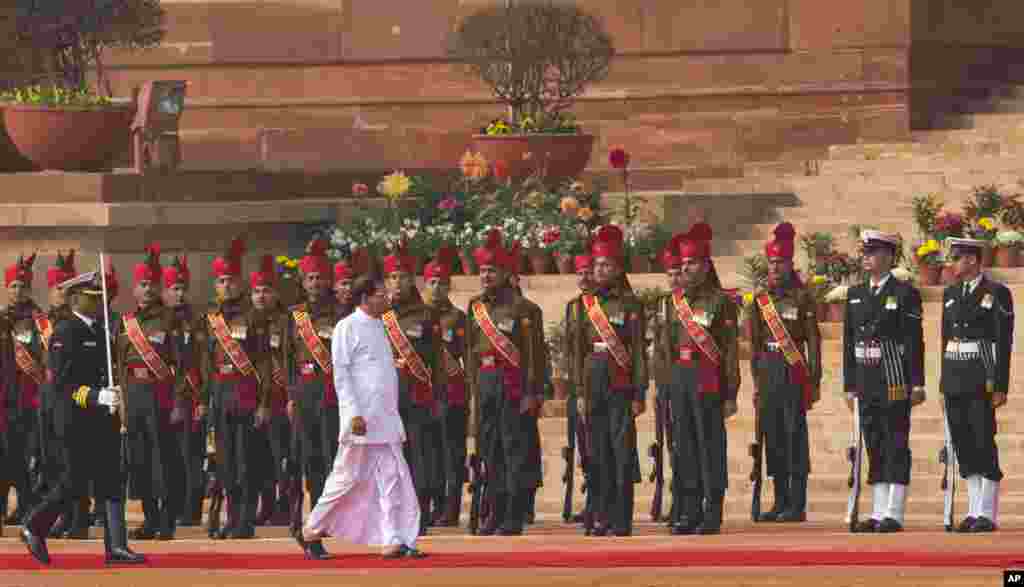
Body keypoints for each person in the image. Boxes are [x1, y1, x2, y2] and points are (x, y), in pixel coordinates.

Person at [297, 272, 426, 560]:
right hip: (361, 419)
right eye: (381, 293)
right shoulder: (347, 327)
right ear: (366, 298)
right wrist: (353, 413)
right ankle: (310, 530)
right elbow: (342, 374)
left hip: (385, 416)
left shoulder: (381, 325)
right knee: (346, 478)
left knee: (393, 476)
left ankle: (394, 538)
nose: (387, 297)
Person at [20, 271, 144, 565]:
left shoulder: (101, 331)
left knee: (112, 480)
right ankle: (34, 526)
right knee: (74, 482)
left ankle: (116, 546)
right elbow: (62, 385)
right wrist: (96, 396)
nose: (101, 302)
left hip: (103, 418)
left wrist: (112, 394)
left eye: (102, 298)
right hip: (76, 420)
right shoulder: (65, 332)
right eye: (93, 298)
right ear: (76, 299)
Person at [653, 223, 740, 535]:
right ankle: (688, 510)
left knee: (709, 446)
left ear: (705, 265)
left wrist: (731, 393)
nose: (686, 268)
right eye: (684, 263)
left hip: (708, 381)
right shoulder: (672, 303)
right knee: (684, 447)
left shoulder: (720, 302)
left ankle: (711, 510)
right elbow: (664, 348)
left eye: (692, 263)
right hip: (679, 380)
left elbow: (730, 351)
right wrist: (663, 385)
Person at [567, 225, 647, 537]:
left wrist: (639, 392)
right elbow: (577, 351)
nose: (600, 270)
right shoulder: (584, 305)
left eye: (607, 265)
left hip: (620, 385)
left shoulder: (630, 304)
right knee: (597, 452)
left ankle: (621, 517)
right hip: (592, 384)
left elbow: (637, 350)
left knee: (621, 452)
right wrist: (579, 391)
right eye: (597, 265)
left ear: (618, 268)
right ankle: (600, 514)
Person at [844, 230, 925, 533]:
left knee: (895, 442)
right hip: (866, 378)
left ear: (889, 257)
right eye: (865, 253)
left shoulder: (905, 293)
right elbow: (849, 342)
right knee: (874, 443)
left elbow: (914, 341)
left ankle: (894, 511)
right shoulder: (855, 294)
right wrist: (849, 385)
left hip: (894, 377)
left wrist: (917, 382)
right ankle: (878, 512)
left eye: (873, 253)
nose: (867, 258)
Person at [465, 230, 545, 536]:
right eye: (482, 270)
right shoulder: (475, 307)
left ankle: (513, 514)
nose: (485, 276)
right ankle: (494, 512)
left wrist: (532, 392)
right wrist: (474, 388)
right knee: (490, 450)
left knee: (514, 451)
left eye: (491, 270)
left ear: (505, 273)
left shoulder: (525, 308)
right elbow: (470, 352)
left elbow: (534, 355)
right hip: (486, 383)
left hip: (513, 386)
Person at [747, 223, 821, 523]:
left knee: (794, 437)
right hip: (768, 372)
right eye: (772, 262)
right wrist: (756, 382)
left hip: (794, 372)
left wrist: (814, 379)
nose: (775, 267)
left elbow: (813, 340)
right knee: (773, 437)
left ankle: (797, 503)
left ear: (791, 264)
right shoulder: (760, 300)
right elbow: (754, 345)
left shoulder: (802, 298)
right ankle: (780, 501)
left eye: (780, 262)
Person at [199, 236, 272, 539]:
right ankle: (231, 517)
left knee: (246, 463)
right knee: (226, 464)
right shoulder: (210, 319)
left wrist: (264, 402)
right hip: (220, 399)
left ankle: (245, 520)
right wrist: (203, 399)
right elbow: (205, 363)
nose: (226, 285)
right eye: (221, 281)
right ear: (215, 285)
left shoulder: (253, 317)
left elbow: (264, 362)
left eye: (230, 280)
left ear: (239, 283)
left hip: (246, 399)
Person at [940, 237, 1012, 532]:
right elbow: (945, 339)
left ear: (971, 260)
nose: (953, 263)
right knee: (963, 443)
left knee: (982, 440)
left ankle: (987, 512)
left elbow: (1003, 342)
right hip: (955, 376)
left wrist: (1000, 385)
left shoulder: (996, 292)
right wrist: (943, 382)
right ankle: (973, 510)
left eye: (957, 258)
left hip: (980, 376)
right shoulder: (951, 293)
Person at [117, 244, 187, 541]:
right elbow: (120, 366)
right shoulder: (126, 322)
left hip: (161, 397)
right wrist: (122, 402)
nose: (147, 289)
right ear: (135, 289)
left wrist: (179, 401)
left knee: (164, 461)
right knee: (140, 460)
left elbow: (183, 365)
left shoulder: (170, 319)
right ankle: (150, 519)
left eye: (151, 284)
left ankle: (167, 520)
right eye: (142, 284)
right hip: (134, 397)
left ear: (159, 287)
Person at [381, 241, 445, 535]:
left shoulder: (426, 315)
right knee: (390, 460)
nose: (397, 282)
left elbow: (437, 361)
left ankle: (420, 512)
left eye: (403, 276)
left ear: (412, 280)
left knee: (420, 457)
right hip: (386, 400)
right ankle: (393, 514)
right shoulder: (378, 316)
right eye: (392, 277)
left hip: (417, 397)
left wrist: (439, 395)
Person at [287, 239, 345, 535]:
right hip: (304, 393)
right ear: (303, 281)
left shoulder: (341, 314)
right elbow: (288, 358)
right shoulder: (295, 316)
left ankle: (333, 515)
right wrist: (290, 395)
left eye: (320, 277)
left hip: (331, 392)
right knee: (309, 457)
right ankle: (316, 514)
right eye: (310, 278)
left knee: (331, 455)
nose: (315, 283)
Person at [423, 247, 469, 526]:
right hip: (425, 397)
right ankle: (432, 505)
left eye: (442, 283)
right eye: (432, 282)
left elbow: (467, 358)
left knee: (453, 454)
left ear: (449, 286)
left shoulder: (458, 318)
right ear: (425, 284)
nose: (437, 287)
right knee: (430, 454)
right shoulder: (419, 317)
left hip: (453, 396)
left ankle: (451, 509)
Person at [162, 255, 207, 527]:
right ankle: (173, 506)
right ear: (164, 291)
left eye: (182, 288)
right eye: (174, 288)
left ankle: (192, 510)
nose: (179, 294)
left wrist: (201, 398)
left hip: (190, 397)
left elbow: (202, 362)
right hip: (163, 399)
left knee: (192, 456)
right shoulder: (158, 319)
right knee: (169, 459)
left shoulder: (197, 320)